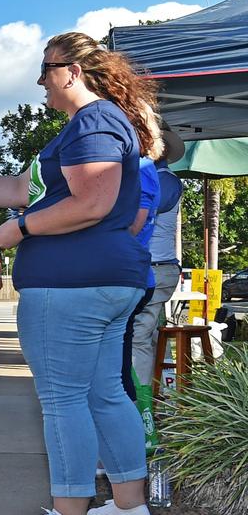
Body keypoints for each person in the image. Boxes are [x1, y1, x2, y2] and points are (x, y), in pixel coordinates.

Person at [0, 32, 162, 515]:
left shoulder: (92, 122)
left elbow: (91, 202)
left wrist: (21, 229)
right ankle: (128, 507)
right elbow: (18, 188)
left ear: (73, 71)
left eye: (47, 70)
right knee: (104, 392)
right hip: (107, 279)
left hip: (71, 283)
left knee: (63, 398)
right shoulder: (96, 124)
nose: (41, 82)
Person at [129, 128, 185, 399]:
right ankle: (166, 396)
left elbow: (138, 214)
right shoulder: (162, 178)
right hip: (158, 268)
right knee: (150, 335)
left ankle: (141, 403)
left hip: (154, 269)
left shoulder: (162, 181)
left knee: (138, 336)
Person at [119, 157, 160, 401]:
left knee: (116, 370)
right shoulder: (135, 166)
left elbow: (134, 225)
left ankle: (130, 428)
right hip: (130, 277)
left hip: (128, 278)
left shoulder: (140, 166)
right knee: (115, 365)